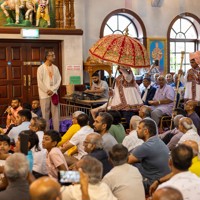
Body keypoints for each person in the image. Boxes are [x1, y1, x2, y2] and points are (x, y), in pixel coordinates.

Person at [128, 118, 170, 195]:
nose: (137, 130)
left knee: (127, 167)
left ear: (146, 131)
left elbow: (127, 161)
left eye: (139, 128)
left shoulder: (146, 146)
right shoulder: (158, 141)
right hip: (164, 180)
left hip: (153, 184)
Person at [37, 50, 61, 131]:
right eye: (52, 55)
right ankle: (46, 133)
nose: (54, 57)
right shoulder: (40, 68)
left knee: (56, 114)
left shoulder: (55, 68)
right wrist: (47, 90)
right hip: (44, 94)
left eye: (54, 55)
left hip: (54, 94)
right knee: (45, 115)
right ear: (47, 57)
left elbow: (59, 80)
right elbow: (40, 83)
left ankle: (56, 132)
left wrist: (53, 90)